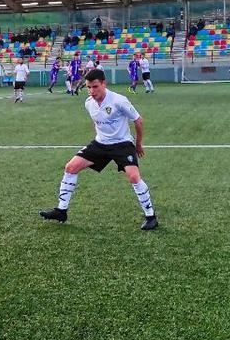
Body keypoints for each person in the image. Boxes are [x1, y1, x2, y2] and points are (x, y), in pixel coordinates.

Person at [39, 69, 158, 230]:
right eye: (88, 87)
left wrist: (138, 144)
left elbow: (138, 121)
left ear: (104, 83)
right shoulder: (88, 103)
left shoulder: (119, 101)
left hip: (122, 144)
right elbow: (98, 123)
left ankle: (151, 216)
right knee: (70, 167)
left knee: (134, 177)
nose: (91, 91)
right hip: (100, 144)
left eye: (95, 87)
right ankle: (61, 210)